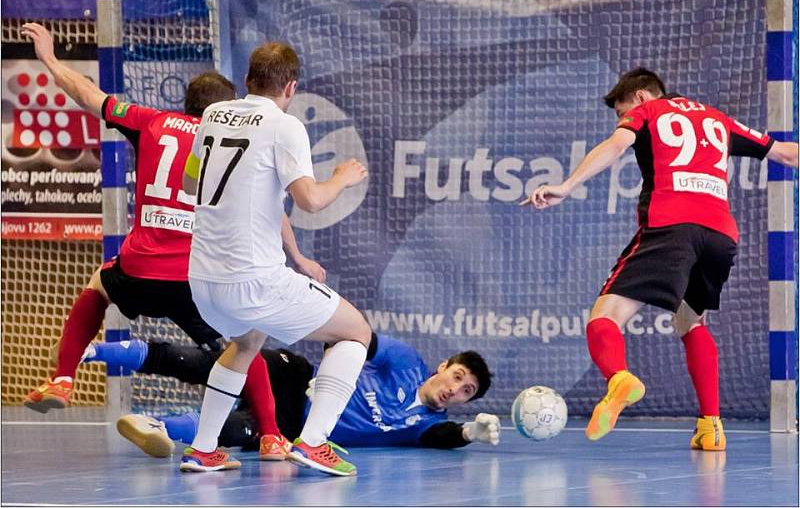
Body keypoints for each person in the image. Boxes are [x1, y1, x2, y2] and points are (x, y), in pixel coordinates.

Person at [20, 24, 325, 461]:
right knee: (245, 344)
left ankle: (64, 378)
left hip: (139, 268)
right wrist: (297, 256)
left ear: (187, 103)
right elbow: (274, 210)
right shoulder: (239, 139)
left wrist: (49, 59)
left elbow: (89, 95)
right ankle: (273, 435)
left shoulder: (152, 123)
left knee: (98, 287)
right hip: (196, 278)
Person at [521, 68, 798, 451]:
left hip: (672, 226)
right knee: (690, 320)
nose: (622, 120)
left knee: (605, 316)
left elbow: (615, 146)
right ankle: (710, 427)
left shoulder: (648, 112)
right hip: (720, 235)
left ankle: (619, 378)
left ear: (639, 97)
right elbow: (784, 151)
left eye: (621, 113)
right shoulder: (716, 119)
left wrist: (566, 186)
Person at [179, 41, 372, 476]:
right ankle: (313, 442)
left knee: (247, 342)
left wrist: (296, 255)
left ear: (247, 81)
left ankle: (203, 449)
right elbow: (310, 201)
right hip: (252, 281)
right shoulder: (285, 126)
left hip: (202, 280)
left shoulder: (212, 116)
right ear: (291, 86)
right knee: (355, 331)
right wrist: (341, 178)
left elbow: (193, 188)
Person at [84, 333, 498, 457]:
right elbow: (353, 337)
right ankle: (96, 351)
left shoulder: (425, 426)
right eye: (457, 376)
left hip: (293, 426)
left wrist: (469, 434)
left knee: (239, 431)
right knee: (222, 364)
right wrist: (333, 375)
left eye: (467, 392)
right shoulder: (406, 361)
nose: (454, 389)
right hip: (297, 379)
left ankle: (156, 426)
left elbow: (443, 438)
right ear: (443, 366)